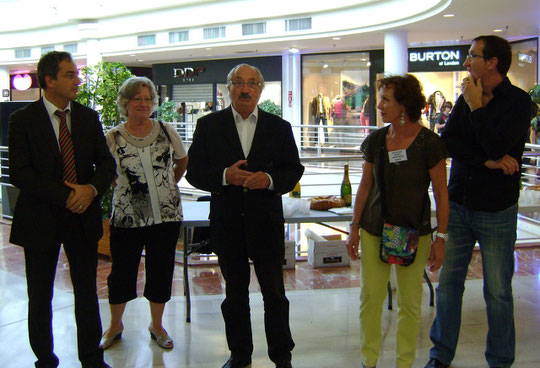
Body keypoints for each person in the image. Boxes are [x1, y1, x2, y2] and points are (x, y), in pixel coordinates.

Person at [186, 63, 304, 368]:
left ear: (260, 90)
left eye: (252, 83)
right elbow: (195, 173)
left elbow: (293, 170)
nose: (245, 88)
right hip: (228, 225)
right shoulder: (208, 125)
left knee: (275, 295)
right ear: (228, 88)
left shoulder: (279, 128)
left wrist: (269, 180)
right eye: (238, 82)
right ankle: (240, 355)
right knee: (234, 295)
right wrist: (226, 176)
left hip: (265, 224)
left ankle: (282, 356)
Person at [425, 35, 532, 368]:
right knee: (448, 286)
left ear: (492, 62)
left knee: (498, 291)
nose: (466, 62)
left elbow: (498, 144)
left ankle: (500, 361)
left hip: (496, 209)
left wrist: (476, 108)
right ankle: (440, 355)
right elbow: (449, 142)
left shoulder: (519, 102)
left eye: (472, 56)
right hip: (458, 204)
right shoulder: (465, 96)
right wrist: (486, 162)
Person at [8, 51, 115, 368]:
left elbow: (107, 164)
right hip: (40, 219)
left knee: (86, 293)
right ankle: (45, 358)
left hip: (82, 218)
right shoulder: (22, 120)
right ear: (49, 80)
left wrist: (90, 189)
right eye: (70, 74)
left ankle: (92, 358)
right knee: (40, 296)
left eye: (76, 74)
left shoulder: (87, 117)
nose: (77, 80)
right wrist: (66, 195)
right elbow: (20, 172)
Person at [346, 74, 449, 368]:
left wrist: (441, 238)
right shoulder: (376, 141)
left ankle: (404, 363)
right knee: (370, 300)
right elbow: (365, 186)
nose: (379, 105)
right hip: (375, 229)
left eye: (386, 99)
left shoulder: (430, 143)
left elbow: (442, 193)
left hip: (414, 232)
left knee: (410, 303)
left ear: (404, 104)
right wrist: (354, 227)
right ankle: (369, 361)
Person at [99, 76, 188, 350]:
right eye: (137, 98)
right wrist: (120, 185)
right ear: (125, 103)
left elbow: (182, 159)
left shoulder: (166, 129)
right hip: (127, 217)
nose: (143, 103)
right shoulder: (112, 137)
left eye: (148, 98)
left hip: (167, 215)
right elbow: (104, 170)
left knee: (160, 270)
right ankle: (115, 325)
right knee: (122, 272)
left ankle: (157, 325)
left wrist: (168, 183)